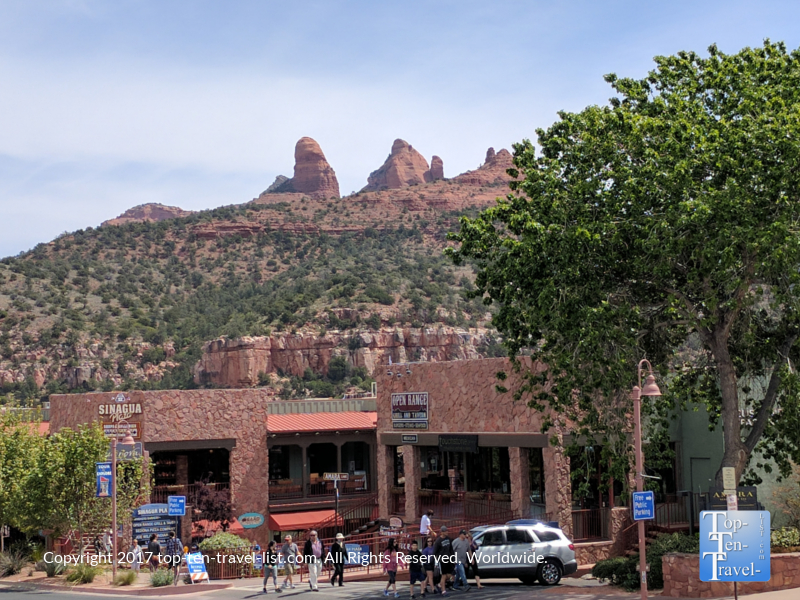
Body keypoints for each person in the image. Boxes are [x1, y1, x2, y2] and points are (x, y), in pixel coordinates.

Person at [433, 525, 455, 595]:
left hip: (449, 558)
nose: (447, 532)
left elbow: (451, 549)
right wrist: (437, 561)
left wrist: (453, 557)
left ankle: (439, 584)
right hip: (442, 560)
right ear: (441, 532)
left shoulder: (448, 539)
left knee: (449, 575)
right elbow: (435, 552)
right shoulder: (438, 541)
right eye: (445, 531)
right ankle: (443, 591)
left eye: (447, 531)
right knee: (444, 575)